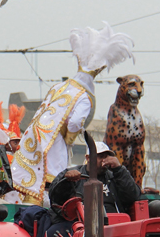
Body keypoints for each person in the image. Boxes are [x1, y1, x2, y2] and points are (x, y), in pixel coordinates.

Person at [11, 23, 134, 205]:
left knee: (35, 185)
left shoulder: (59, 86)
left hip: (36, 138)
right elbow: (75, 123)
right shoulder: (84, 96)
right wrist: (70, 138)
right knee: (56, 184)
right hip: (55, 143)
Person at [45, 141, 141, 237]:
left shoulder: (115, 175)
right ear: (88, 158)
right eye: (100, 156)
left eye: (107, 156)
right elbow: (56, 197)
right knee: (53, 233)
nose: (104, 160)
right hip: (80, 223)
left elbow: (133, 196)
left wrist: (119, 169)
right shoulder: (73, 173)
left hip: (114, 224)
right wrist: (67, 181)